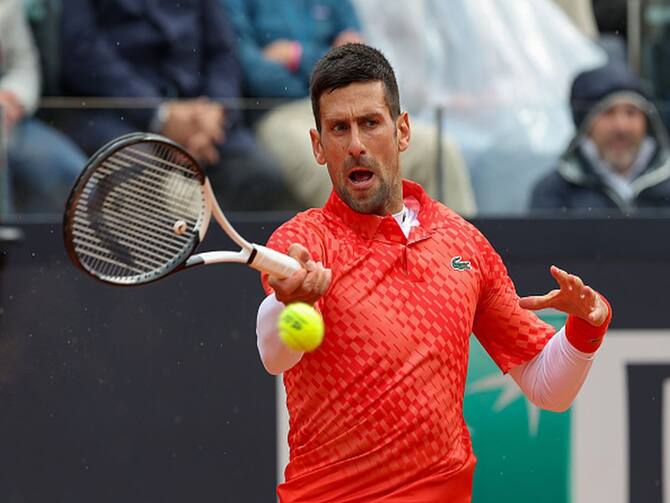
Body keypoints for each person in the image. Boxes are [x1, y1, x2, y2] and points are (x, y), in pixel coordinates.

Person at [255, 44, 612, 501]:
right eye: (338, 129)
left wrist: (588, 327)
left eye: (370, 123)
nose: (356, 144)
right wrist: (291, 301)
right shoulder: (304, 242)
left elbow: (548, 388)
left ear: (402, 131)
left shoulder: (464, 244)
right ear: (318, 146)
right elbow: (274, 356)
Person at [222, 0, 475, 215]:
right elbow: (253, 72)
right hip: (278, 111)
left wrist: (296, 56)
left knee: (440, 151)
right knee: (335, 171)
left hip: (349, 102)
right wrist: (329, 65)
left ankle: (461, 260)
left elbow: (359, 56)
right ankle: (361, 266)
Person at [58, 0, 286, 211]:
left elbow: (223, 50)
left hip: (201, 115)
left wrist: (215, 111)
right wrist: (159, 115)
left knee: (259, 174)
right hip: (116, 114)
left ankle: (216, 254)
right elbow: (82, 54)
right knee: (138, 175)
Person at [530, 60, 670, 213]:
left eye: (631, 112)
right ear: (586, 126)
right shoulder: (555, 192)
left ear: (648, 122)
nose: (621, 127)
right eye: (608, 112)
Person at [0, 0, 86, 214]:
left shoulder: (8, 6)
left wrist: (11, 97)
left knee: (78, 180)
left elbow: (24, 66)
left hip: (13, 125)